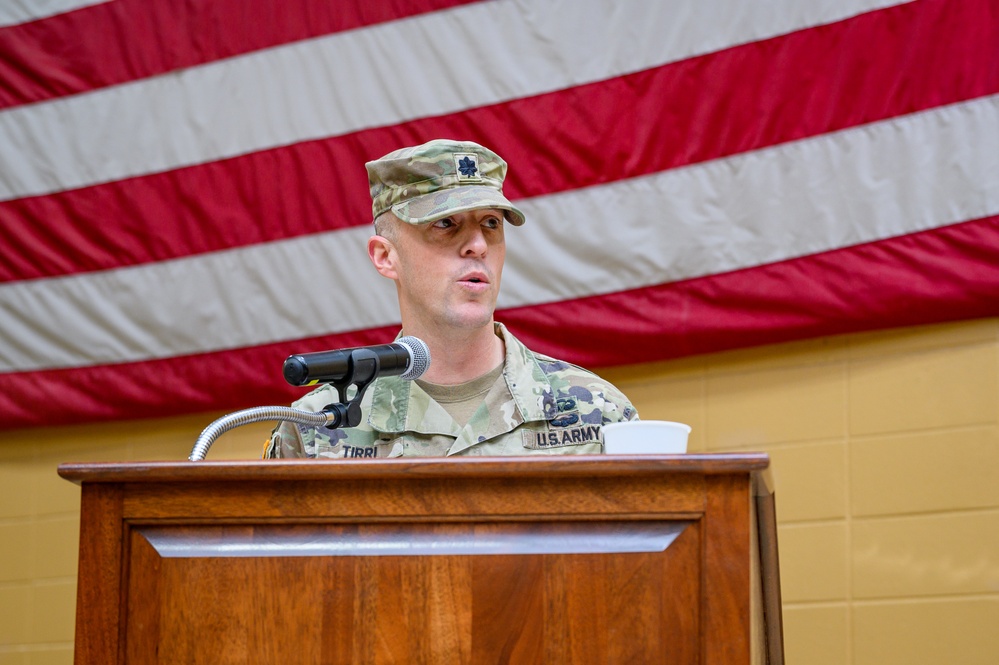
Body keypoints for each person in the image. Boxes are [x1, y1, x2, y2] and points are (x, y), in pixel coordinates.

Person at [264, 139, 638, 459]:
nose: (477, 245)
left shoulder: (597, 412)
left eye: (491, 223)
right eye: (445, 224)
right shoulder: (319, 428)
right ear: (385, 256)